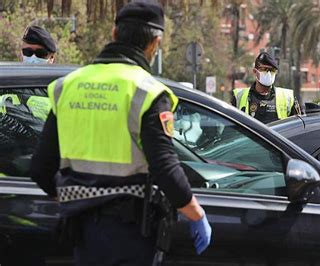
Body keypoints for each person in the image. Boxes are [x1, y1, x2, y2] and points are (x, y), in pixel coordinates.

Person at [30, 2, 211, 265]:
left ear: (114, 34)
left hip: (80, 230)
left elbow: (40, 168)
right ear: (155, 43)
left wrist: (76, 198)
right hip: (129, 234)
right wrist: (196, 214)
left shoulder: (67, 86)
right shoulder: (147, 92)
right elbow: (165, 166)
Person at [231, 52, 301, 124]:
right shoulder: (239, 96)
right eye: (264, 69)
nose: (268, 73)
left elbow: (297, 127)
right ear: (255, 71)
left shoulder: (288, 97)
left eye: (272, 70)